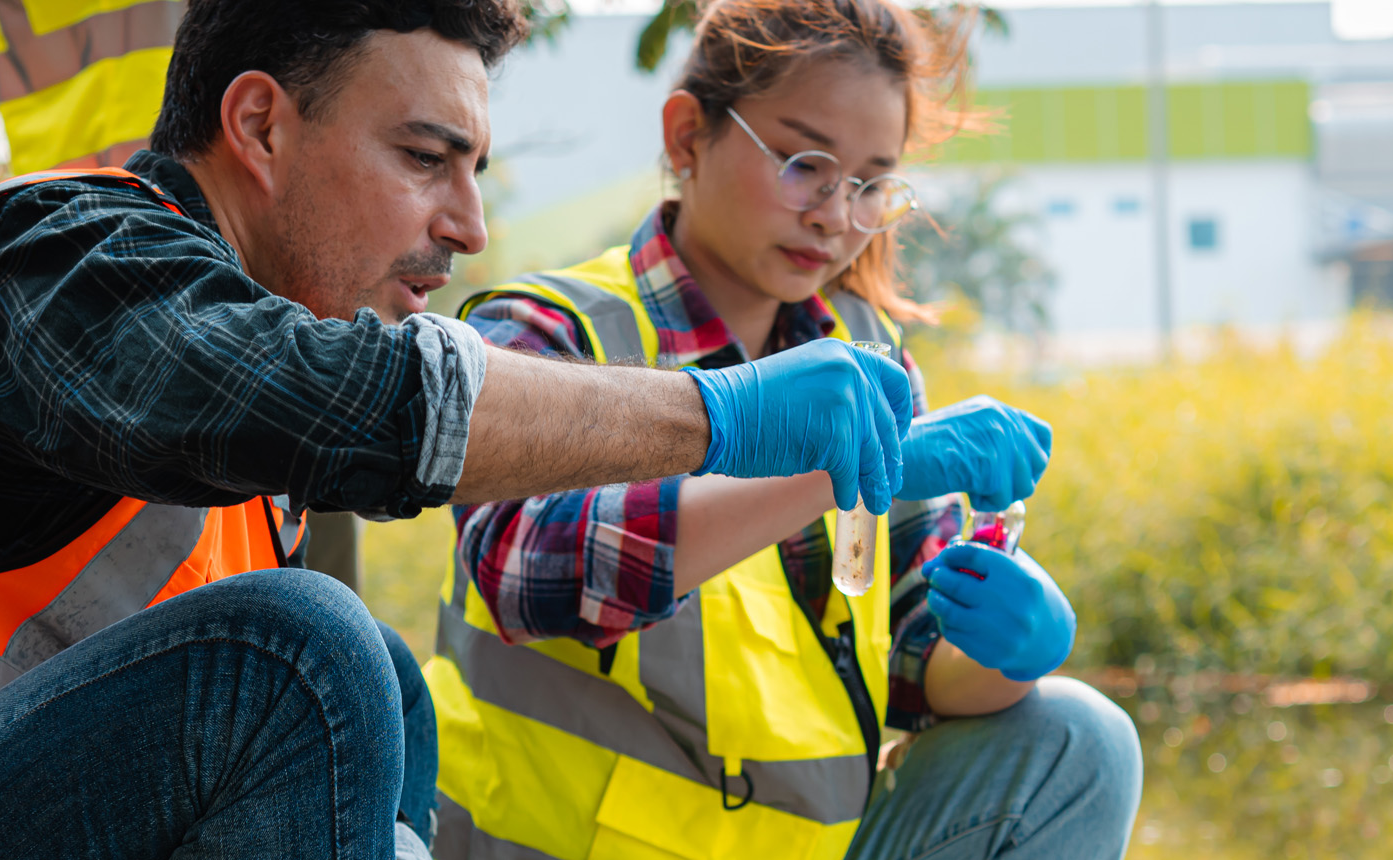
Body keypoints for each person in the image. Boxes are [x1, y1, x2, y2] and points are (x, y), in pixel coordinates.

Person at [0, 2, 921, 858]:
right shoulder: (46, 261)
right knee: (299, 652)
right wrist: (716, 415)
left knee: (365, 663)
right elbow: (320, 399)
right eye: (423, 157)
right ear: (259, 123)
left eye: (476, 171)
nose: (469, 226)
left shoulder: (215, 424)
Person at [427, 2, 1144, 858]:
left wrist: (1008, 649)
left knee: (1078, 737)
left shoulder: (872, 358)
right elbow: (523, 568)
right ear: (688, 136)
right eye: (805, 163)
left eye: (870, 183)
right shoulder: (545, 332)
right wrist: (836, 464)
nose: (834, 216)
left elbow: (918, 666)